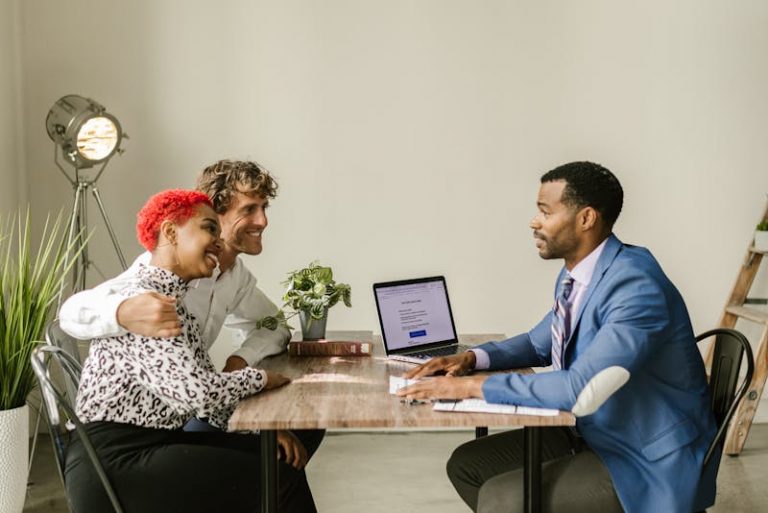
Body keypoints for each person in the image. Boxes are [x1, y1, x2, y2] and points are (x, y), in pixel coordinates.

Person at [398, 162, 717, 513]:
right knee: (467, 466)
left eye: (545, 212)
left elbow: (581, 387)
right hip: (594, 430)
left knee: (503, 499)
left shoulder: (635, 286)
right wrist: (471, 358)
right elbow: (538, 343)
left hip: (641, 458)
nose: (534, 222)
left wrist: (470, 387)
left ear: (586, 218)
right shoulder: (580, 276)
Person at [66, 189, 318, 513]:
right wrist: (260, 378)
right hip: (114, 463)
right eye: (209, 228)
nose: (218, 241)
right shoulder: (145, 301)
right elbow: (198, 394)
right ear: (170, 232)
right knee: (280, 480)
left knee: (278, 461)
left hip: (157, 442)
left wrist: (264, 431)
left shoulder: (175, 301)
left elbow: (202, 394)